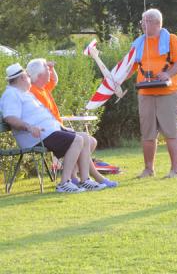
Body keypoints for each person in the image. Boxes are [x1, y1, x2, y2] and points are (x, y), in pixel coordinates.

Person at [0, 63, 106, 192]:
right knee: (77, 140)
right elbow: (9, 118)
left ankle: (85, 180)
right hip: (35, 136)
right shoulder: (12, 94)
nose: (29, 79)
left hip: (48, 132)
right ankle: (64, 183)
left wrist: (62, 128)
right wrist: (29, 127)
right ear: (22, 78)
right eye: (28, 76)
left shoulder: (23, 93)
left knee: (84, 137)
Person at [26, 58, 117, 188]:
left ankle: (75, 177)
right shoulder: (32, 91)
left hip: (57, 129)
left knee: (91, 141)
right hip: (50, 132)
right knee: (83, 140)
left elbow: (54, 80)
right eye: (47, 71)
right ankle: (93, 178)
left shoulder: (42, 87)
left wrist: (51, 68)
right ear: (39, 76)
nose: (50, 74)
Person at [128, 8, 177, 179]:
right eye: (142, 21)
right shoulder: (138, 43)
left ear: (157, 23)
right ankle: (148, 169)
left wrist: (168, 74)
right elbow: (130, 66)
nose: (142, 24)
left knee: (171, 132)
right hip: (145, 93)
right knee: (147, 134)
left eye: (146, 21)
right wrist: (115, 81)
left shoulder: (172, 40)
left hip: (168, 92)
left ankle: (175, 170)